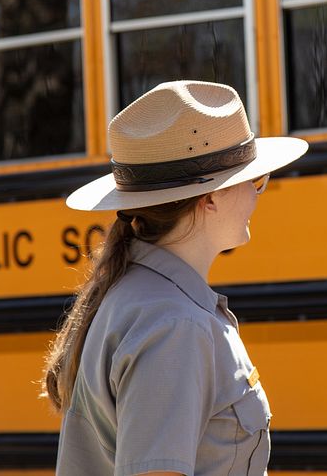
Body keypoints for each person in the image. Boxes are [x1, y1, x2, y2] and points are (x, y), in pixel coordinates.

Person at [42, 80, 308, 476]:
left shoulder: (136, 298)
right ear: (211, 198)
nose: (258, 195)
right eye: (253, 181)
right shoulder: (174, 326)